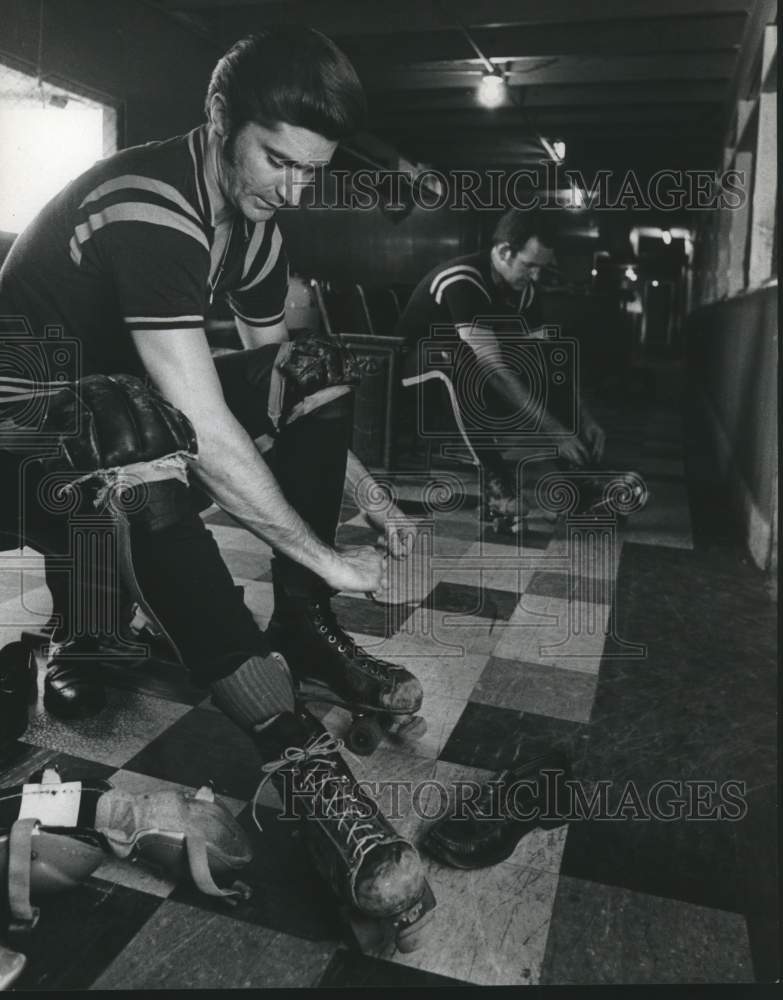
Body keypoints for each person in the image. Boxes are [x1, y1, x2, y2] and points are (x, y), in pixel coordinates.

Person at [0, 28, 431, 931]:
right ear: (218, 120)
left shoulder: (257, 228)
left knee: (309, 367)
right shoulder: (152, 204)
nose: (291, 188)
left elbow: (285, 397)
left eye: (311, 171)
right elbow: (201, 426)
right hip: (20, 445)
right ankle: (303, 765)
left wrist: (368, 501)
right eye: (277, 159)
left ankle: (305, 632)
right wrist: (319, 547)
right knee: (141, 425)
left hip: (109, 425)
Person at [395, 208, 606, 528]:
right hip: (415, 374)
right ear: (505, 252)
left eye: (542, 267)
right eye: (530, 265)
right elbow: (492, 368)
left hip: (472, 371)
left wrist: (582, 417)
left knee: (544, 367)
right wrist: (552, 429)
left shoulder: (526, 291)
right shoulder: (463, 278)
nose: (536, 275)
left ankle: (577, 482)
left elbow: (548, 362)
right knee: (463, 360)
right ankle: (496, 479)